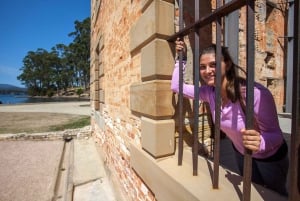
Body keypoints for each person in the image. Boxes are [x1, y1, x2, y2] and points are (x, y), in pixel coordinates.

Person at [171, 38, 289, 196]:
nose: (207, 71)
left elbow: (275, 136)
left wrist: (260, 142)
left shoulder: (255, 94)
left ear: (227, 64)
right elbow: (176, 87)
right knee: (251, 192)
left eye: (213, 64)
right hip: (242, 154)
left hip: (270, 158)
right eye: (202, 67)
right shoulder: (209, 92)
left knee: (274, 195)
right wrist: (182, 58)